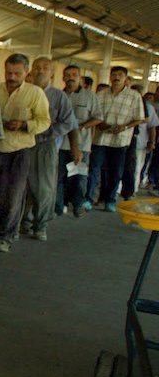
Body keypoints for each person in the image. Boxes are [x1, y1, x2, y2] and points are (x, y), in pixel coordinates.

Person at [0, 54, 49, 252]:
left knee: (11, 197)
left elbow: (44, 121)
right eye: (9, 72)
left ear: (26, 73)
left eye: (17, 73)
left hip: (19, 152)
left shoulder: (35, 93)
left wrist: (24, 125)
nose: (12, 77)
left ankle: (3, 237)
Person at [20, 57, 78, 240]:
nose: (40, 71)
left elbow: (68, 122)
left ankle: (41, 225)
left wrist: (49, 134)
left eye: (45, 68)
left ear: (52, 73)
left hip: (46, 146)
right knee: (23, 186)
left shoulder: (59, 97)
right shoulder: (24, 92)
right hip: (23, 143)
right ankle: (24, 222)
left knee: (44, 187)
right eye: (37, 67)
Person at [87, 67, 146, 212]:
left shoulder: (134, 96)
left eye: (120, 75)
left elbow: (139, 119)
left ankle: (110, 200)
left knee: (116, 171)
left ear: (126, 78)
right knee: (94, 169)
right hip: (100, 139)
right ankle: (88, 199)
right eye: (114, 74)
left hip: (120, 141)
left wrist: (125, 127)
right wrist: (100, 124)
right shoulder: (100, 94)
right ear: (110, 77)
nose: (116, 77)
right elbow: (94, 115)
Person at [56, 64, 102, 217]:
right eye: (67, 75)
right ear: (63, 78)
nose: (70, 78)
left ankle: (77, 205)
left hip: (81, 145)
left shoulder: (90, 96)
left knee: (79, 177)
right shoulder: (59, 95)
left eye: (74, 75)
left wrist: (82, 126)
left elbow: (98, 118)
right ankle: (59, 205)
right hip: (61, 145)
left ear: (80, 77)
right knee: (59, 176)